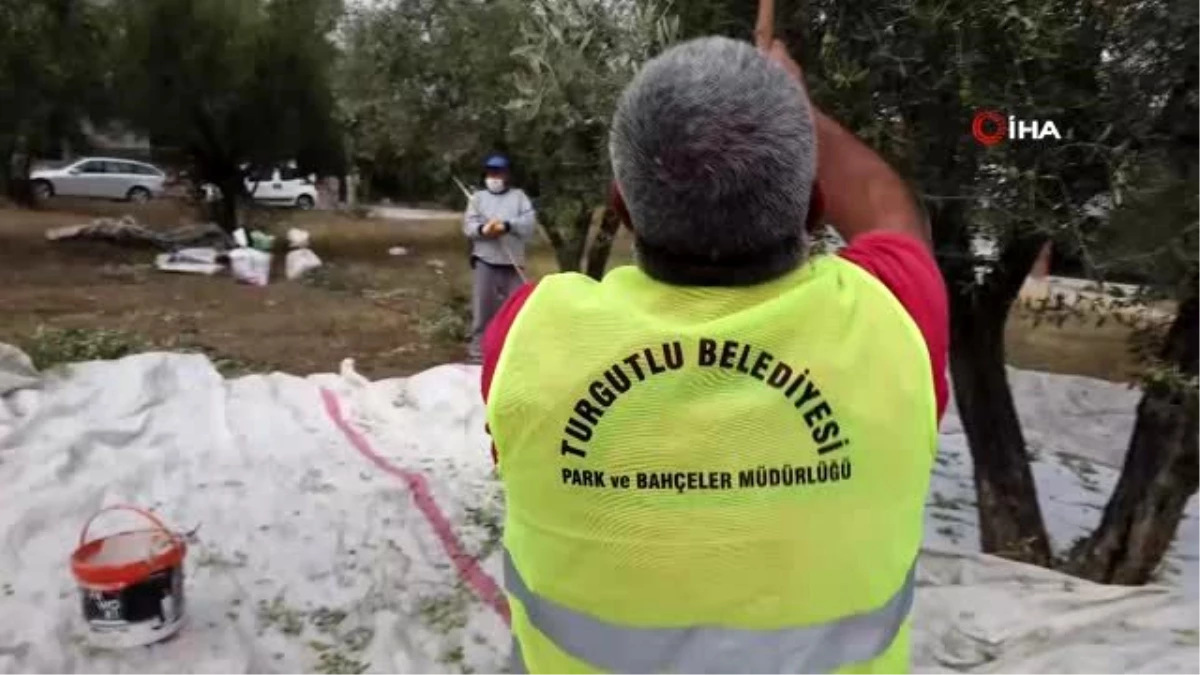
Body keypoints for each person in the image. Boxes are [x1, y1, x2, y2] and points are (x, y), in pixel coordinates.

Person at [482, 37, 948, 674]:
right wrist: (802, 112)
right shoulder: (894, 326)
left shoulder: (529, 338)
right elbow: (890, 212)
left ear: (622, 205)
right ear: (814, 207)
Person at [462, 153, 537, 363]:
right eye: (491, 172)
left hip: (513, 261)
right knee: (483, 310)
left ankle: (515, 352)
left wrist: (507, 226)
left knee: (518, 308)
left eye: (498, 172)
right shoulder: (477, 199)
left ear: (507, 174)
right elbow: (468, 226)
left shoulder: (519, 197)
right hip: (485, 260)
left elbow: (529, 223)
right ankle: (478, 354)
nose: (494, 176)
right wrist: (483, 230)